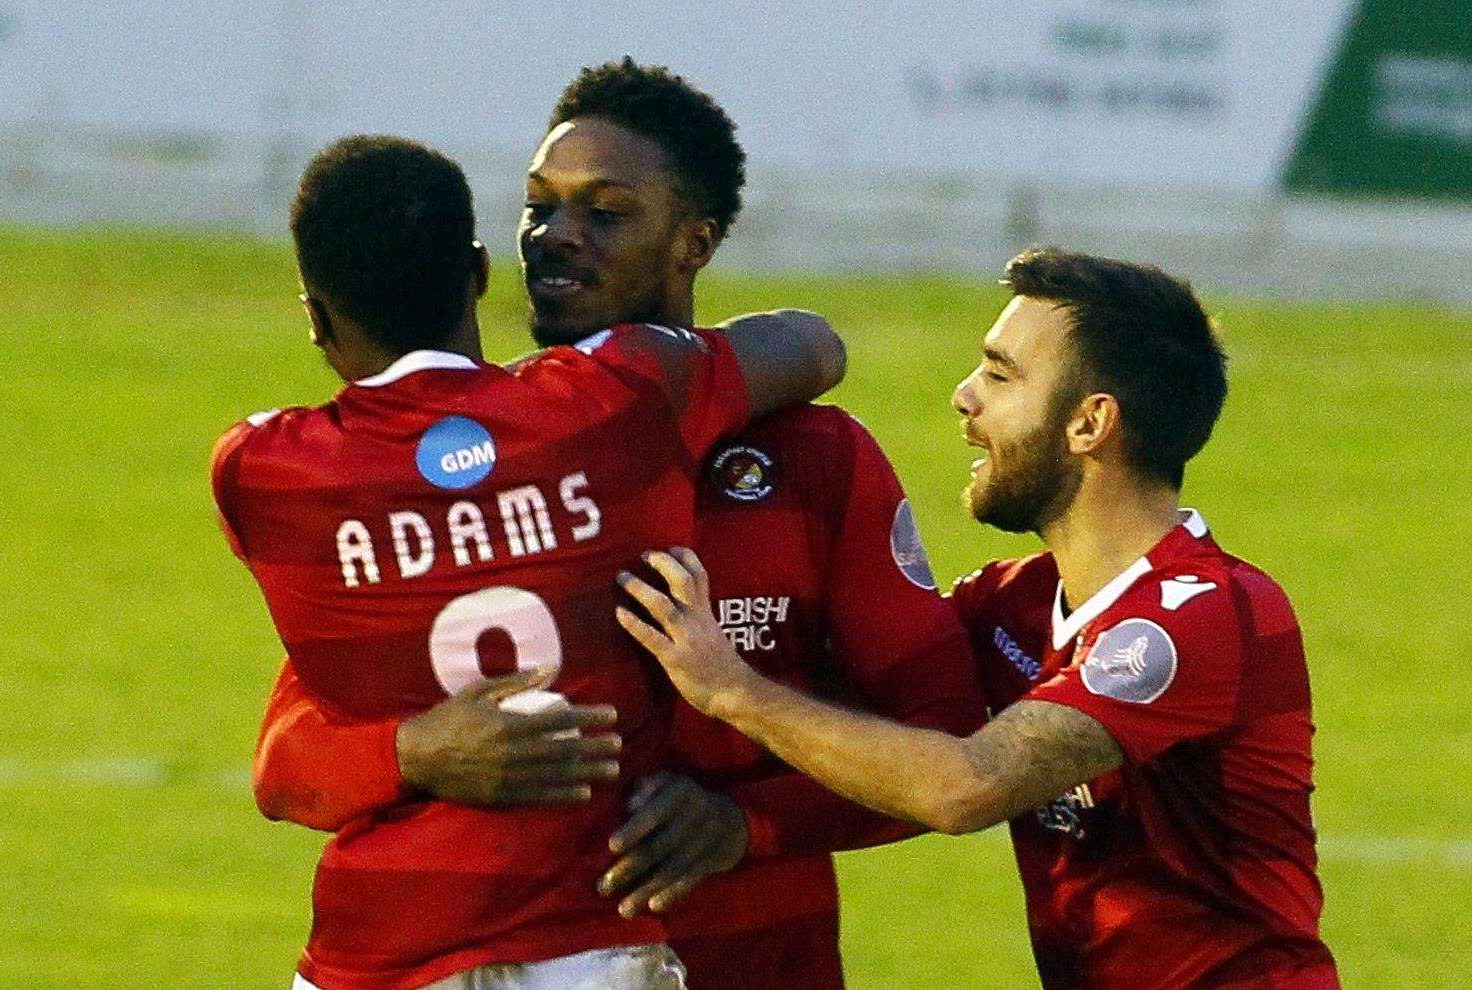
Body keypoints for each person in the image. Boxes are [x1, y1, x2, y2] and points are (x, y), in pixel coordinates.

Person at [251, 60, 980, 989]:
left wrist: (749, 825)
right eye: (537, 206)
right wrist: (413, 751)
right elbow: (289, 756)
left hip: (759, 958)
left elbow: (946, 734)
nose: (557, 236)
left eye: (606, 212)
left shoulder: (817, 461)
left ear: (694, 243)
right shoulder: (477, 463)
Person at [618, 249, 1341, 988]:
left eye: (1000, 375)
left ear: (1090, 423)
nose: (965, 396)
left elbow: (963, 785)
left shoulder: (1200, 614)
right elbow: (877, 720)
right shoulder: (1013, 604)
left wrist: (729, 687)